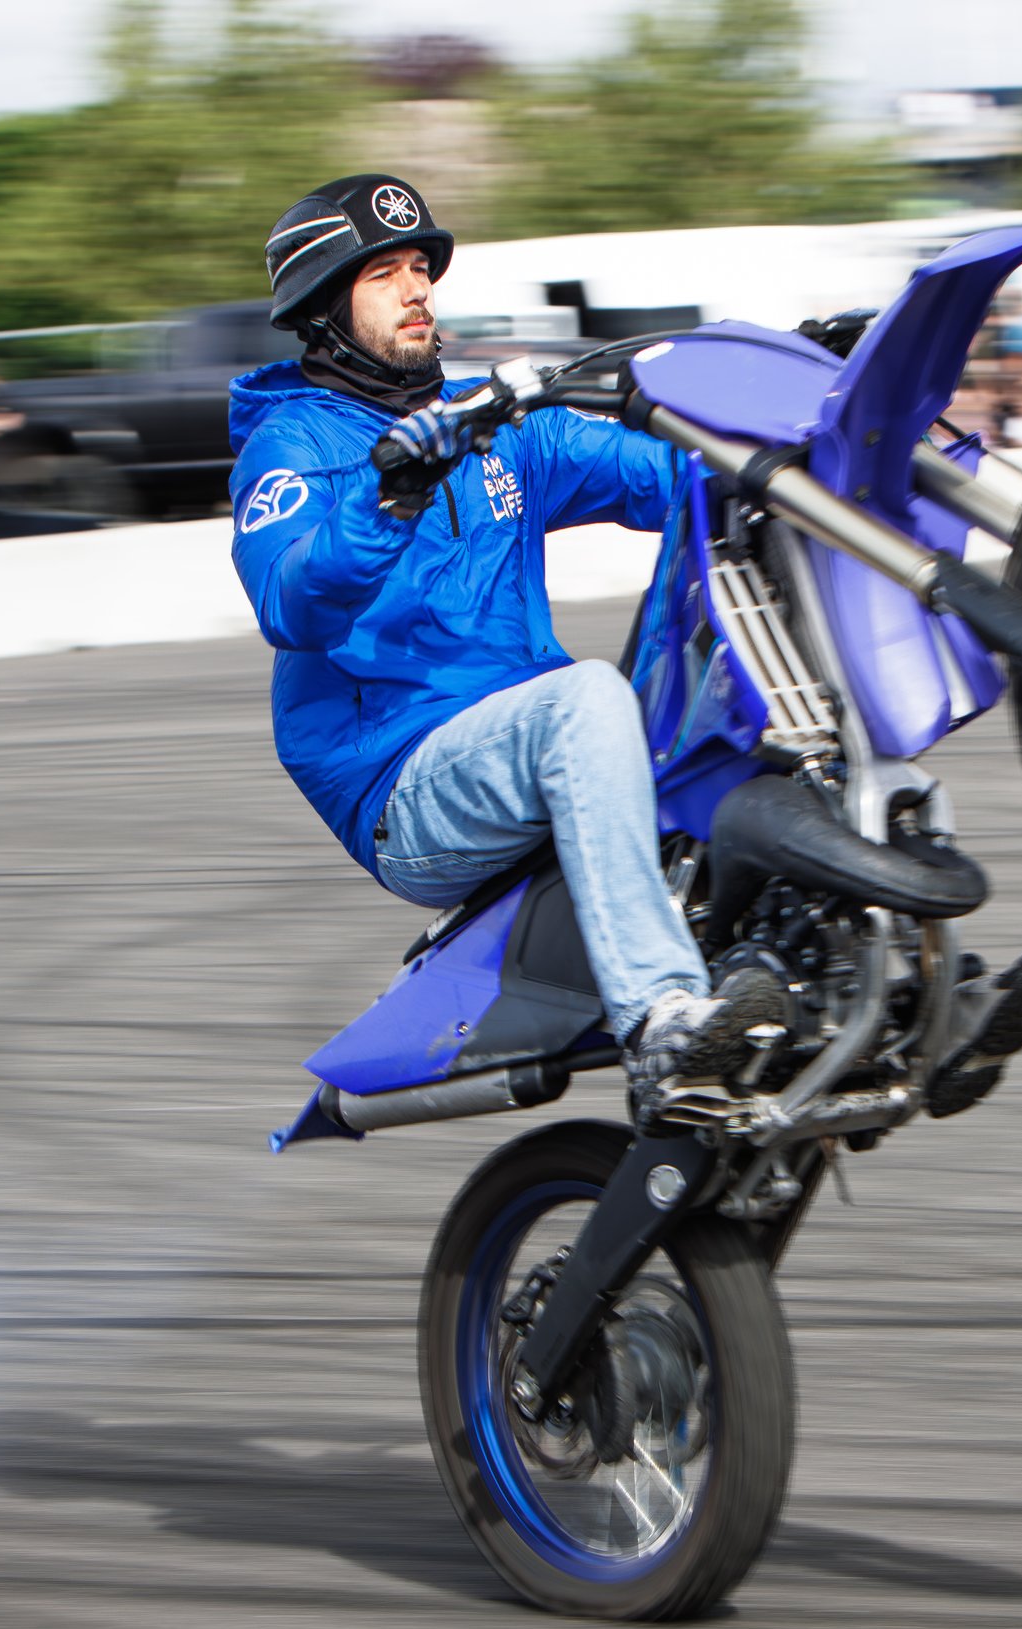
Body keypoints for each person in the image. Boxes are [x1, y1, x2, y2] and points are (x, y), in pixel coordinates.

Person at [225, 174, 783, 1116]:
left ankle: (850, 958)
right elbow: (295, 604)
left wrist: (804, 407)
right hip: (406, 785)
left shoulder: (493, 428)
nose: (416, 291)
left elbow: (668, 472)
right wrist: (390, 490)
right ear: (322, 308)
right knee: (589, 699)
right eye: (383, 274)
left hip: (522, 741)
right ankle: (660, 1021)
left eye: (420, 269)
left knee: (746, 649)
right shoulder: (289, 451)